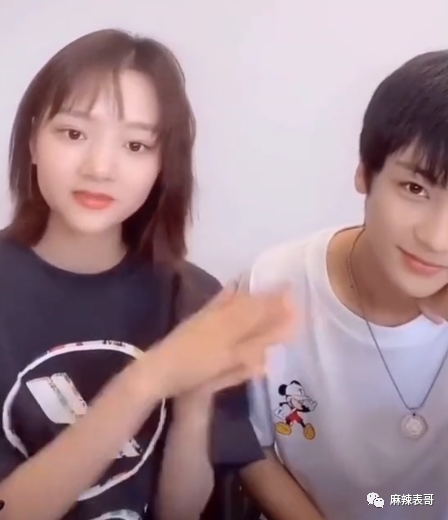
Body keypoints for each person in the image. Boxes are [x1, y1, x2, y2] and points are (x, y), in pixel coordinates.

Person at [0, 29, 297, 520]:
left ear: (163, 164)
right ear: (33, 140)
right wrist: (146, 382)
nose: (100, 167)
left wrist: (196, 399)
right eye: (73, 134)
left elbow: (178, 511)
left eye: (136, 145)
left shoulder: (191, 296)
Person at [239, 51, 448, 520]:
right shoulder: (276, 284)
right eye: (415, 189)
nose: (436, 238)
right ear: (365, 172)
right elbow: (250, 444)